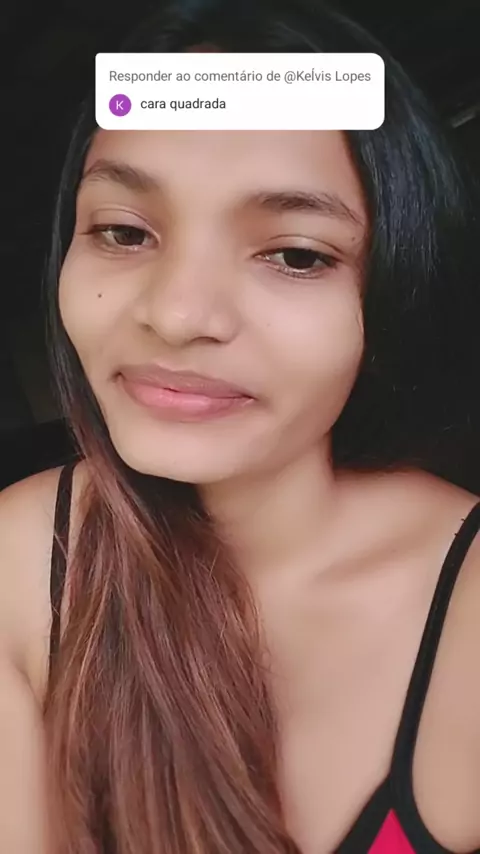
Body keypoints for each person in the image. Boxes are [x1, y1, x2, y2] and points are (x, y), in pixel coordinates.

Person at [1, 0, 480, 852]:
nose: (178, 315)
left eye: (295, 254)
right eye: (123, 232)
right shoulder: (25, 559)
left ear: (391, 291)